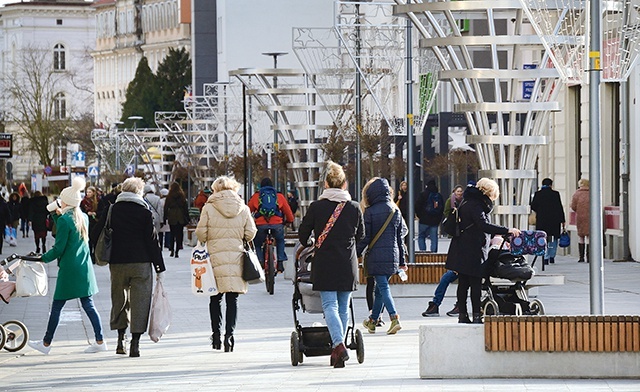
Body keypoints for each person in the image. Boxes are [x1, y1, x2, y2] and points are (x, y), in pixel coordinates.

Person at [27, 177, 106, 355]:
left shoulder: (65, 221)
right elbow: (66, 231)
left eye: (61, 199)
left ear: (66, 201)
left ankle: (46, 344)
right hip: (84, 268)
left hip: (70, 270)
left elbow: (59, 247)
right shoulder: (83, 217)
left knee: (56, 307)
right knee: (89, 305)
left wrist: (42, 258)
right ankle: (100, 340)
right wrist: (55, 213)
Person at [298, 161, 364, 368]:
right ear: (344, 185)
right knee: (343, 306)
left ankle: (338, 345)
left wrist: (312, 242)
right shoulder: (354, 208)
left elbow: (302, 235)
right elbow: (361, 235)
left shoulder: (317, 207)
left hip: (325, 263)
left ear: (326, 184)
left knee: (329, 306)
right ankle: (339, 348)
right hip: (347, 263)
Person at [92, 177, 165, 357]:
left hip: (117, 263)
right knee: (140, 302)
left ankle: (119, 339)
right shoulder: (144, 212)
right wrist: (159, 267)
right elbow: (152, 241)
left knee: (119, 300)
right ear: (139, 192)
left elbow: (95, 233)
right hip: (141, 263)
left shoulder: (111, 210)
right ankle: (135, 344)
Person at [195, 176, 257, 352]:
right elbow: (251, 233)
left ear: (216, 189)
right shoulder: (243, 207)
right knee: (232, 298)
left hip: (214, 257)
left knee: (215, 298)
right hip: (236, 258)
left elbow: (201, 233)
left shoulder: (209, 207)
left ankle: (215, 335)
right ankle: (229, 336)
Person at [445, 178, 520, 324]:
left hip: (462, 247)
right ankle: (476, 316)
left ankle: (463, 315)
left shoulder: (468, 201)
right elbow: (482, 225)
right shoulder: (476, 204)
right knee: (475, 284)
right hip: (473, 249)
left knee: (464, 284)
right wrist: (506, 230)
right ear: (489, 192)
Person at [358, 177, 406, 335]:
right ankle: (372, 321)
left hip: (376, 257)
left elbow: (365, 237)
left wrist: (355, 253)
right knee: (379, 290)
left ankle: (394, 318)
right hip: (393, 255)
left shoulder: (370, 212)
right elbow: (400, 240)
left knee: (383, 288)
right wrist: (402, 261)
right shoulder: (394, 210)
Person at [248, 178, 294, 273]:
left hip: (260, 225)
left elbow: (247, 211)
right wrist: (289, 221)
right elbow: (288, 212)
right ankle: (280, 263)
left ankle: (260, 261)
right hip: (277, 224)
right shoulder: (279, 196)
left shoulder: (256, 196)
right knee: (280, 241)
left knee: (257, 243)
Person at [531, 178, 566, 265]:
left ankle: (545, 256)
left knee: (544, 237)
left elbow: (533, 206)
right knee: (553, 238)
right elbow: (559, 207)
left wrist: (539, 210)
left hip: (542, 219)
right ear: (551, 185)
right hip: (554, 220)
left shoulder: (538, 194)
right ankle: (552, 256)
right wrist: (563, 220)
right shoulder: (555, 194)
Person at [415, 179, 444, 252]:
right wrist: (438, 219)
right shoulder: (439, 196)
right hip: (434, 221)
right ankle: (433, 253)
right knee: (434, 238)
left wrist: (419, 216)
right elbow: (441, 209)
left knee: (421, 236)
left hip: (423, 220)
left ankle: (422, 252)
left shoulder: (423, 194)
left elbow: (417, 206)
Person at [163, 182, 189, 258]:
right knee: (179, 234)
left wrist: (165, 218)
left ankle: (171, 249)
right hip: (180, 216)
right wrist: (187, 217)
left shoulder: (169, 196)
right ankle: (177, 249)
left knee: (172, 233)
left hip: (172, 215)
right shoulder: (182, 196)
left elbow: (166, 207)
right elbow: (185, 208)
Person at [571, 178, 590, 263]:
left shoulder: (576, 194)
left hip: (580, 217)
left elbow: (573, 206)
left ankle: (581, 257)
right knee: (589, 237)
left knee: (581, 237)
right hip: (590, 217)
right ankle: (589, 257)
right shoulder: (592, 193)